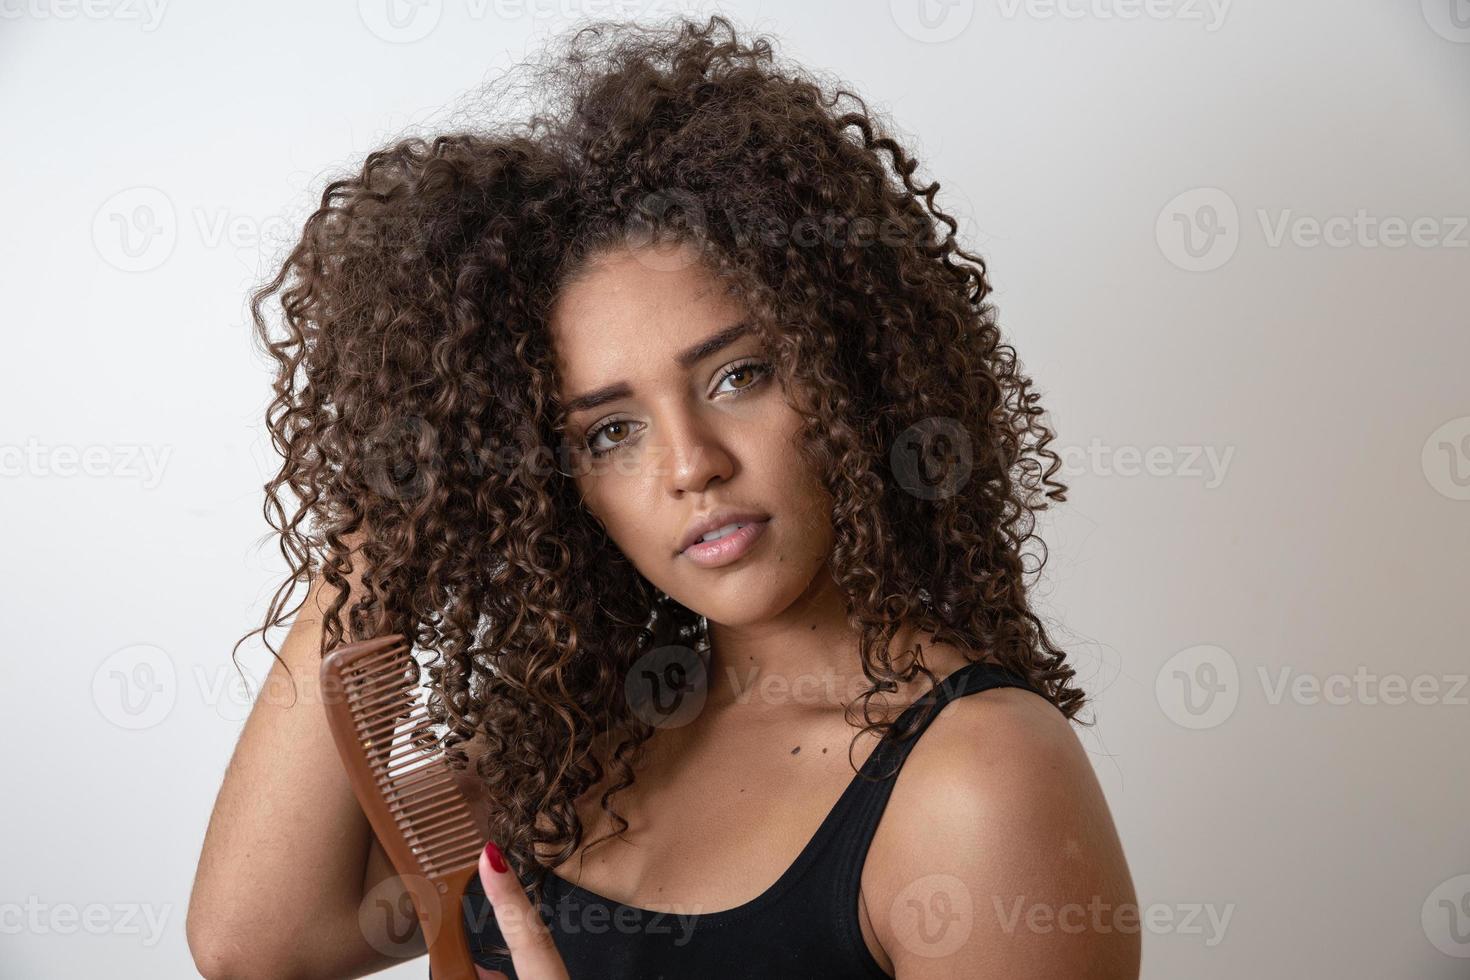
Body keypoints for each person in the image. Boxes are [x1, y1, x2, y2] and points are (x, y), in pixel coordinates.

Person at [188, 14, 1138, 980]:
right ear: (554, 488)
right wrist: (399, 513)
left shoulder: (979, 777)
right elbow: (257, 946)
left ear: (850, 371)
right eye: (609, 432)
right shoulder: (575, 744)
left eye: (740, 376)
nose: (692, 464)